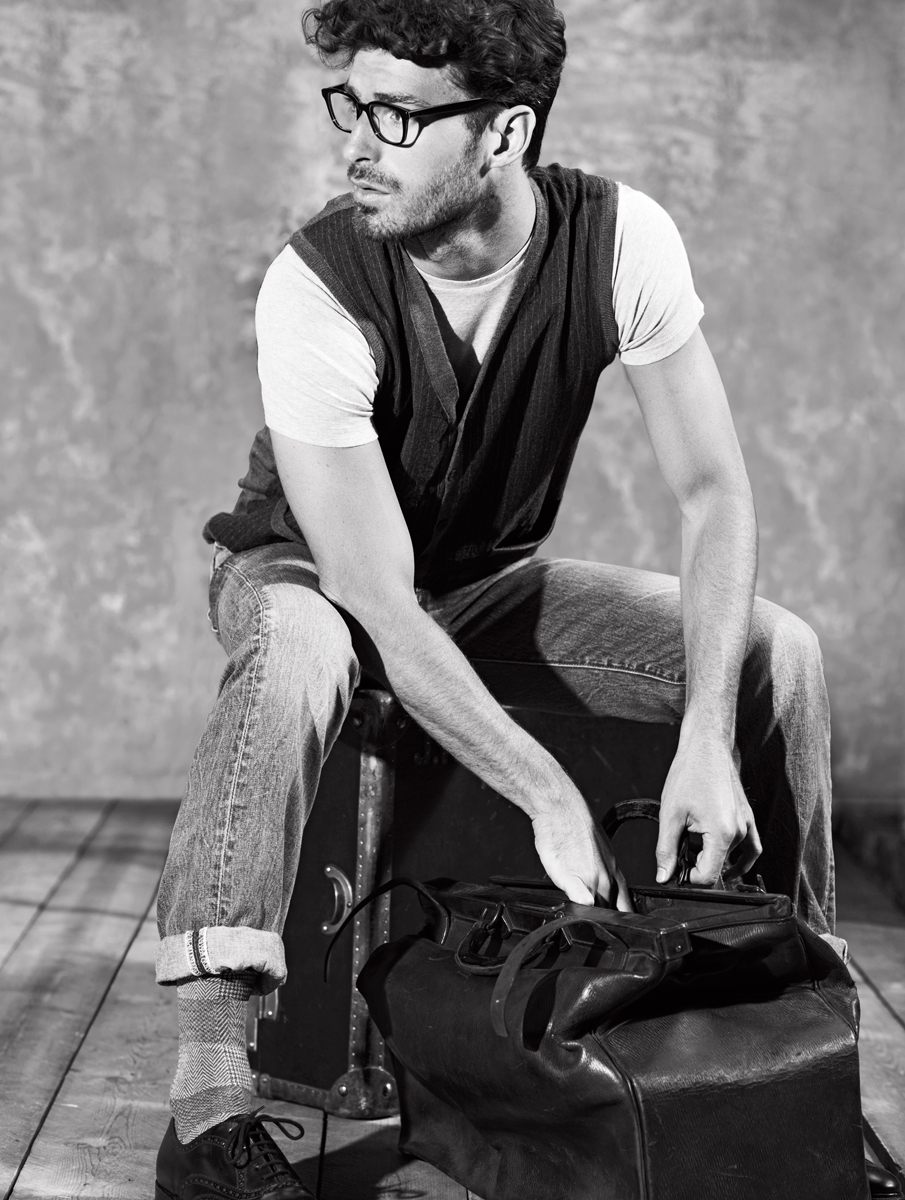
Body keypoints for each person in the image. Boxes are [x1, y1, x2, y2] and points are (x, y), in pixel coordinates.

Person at [153, 2, 895, 1198]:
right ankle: (206, 1104)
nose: (355, 143)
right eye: (351, 105)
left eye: (397, 118)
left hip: (481, 585)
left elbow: (712, 492)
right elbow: (372, 595)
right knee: (296, 640)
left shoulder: (619, 241)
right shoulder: (315, 283)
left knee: (778, 653)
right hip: (309, 573)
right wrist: (545, 793)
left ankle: (792, 1051)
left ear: (503, 133)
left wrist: (707, 734)